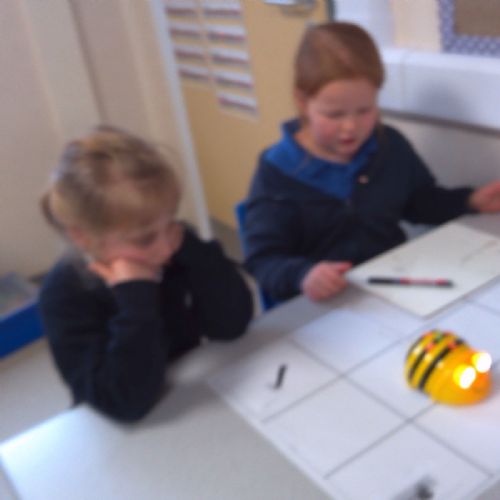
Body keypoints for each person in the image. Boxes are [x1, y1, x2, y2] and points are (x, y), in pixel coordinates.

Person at [243, 21, 500, 303]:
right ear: (302, 101)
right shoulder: (277, 172)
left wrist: (469, 201)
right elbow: (263, 260)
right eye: (334, 114)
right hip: (317, 307)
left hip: (388, 289)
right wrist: (303, 275)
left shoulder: (388, 145)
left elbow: (419, 202)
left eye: (364, 110)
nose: (350, 127)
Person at [39, 126, 253, 422]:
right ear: (83, 237)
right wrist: (136, 300)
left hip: (187, 397)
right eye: (144, 239)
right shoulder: (64, 295)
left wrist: (196, 253)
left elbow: (231, 326)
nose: (166, 248)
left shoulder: (176, 246)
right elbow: (126, 403)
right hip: (131, 422)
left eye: (171, 222)